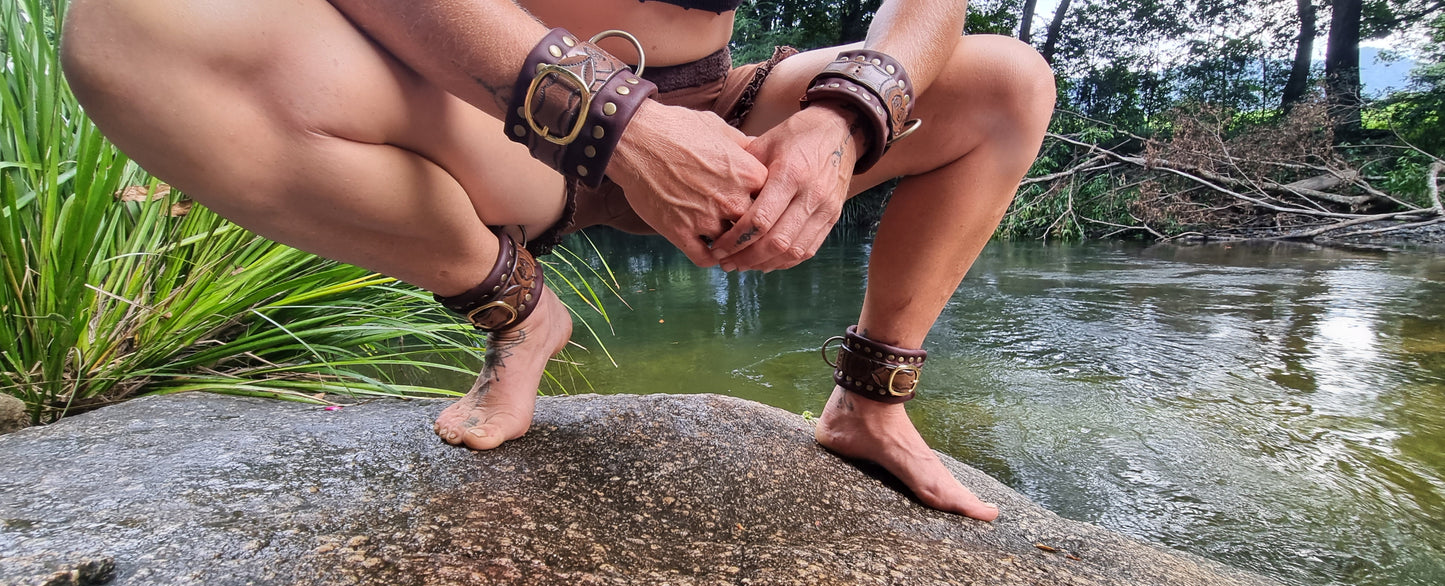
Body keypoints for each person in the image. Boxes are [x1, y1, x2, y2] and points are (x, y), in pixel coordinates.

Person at [60, 0, 1055, 521]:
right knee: (132, 25)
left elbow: (931, 2)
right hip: (483, 116)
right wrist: (612, 124)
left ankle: (868, 405)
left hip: (720, 109)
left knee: (1004, 85)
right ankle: (517, 312)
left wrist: (839, 124)